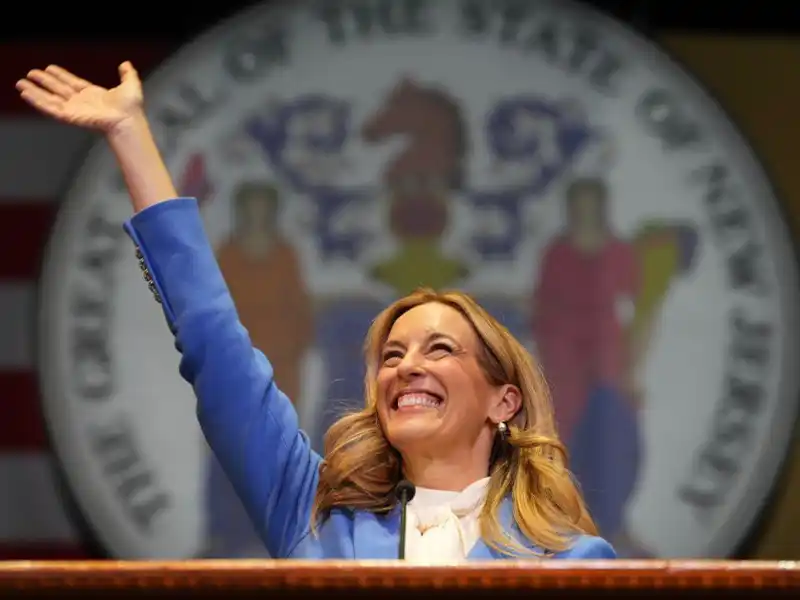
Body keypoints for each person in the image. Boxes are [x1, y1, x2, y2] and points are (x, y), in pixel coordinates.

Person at [16, 62, 617, 562]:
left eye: (439, 348)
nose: (405, 367)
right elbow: (217, 350)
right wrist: (129, 134)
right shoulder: (314, 520)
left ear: (503, 401)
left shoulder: (572, 561)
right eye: (391, 355)